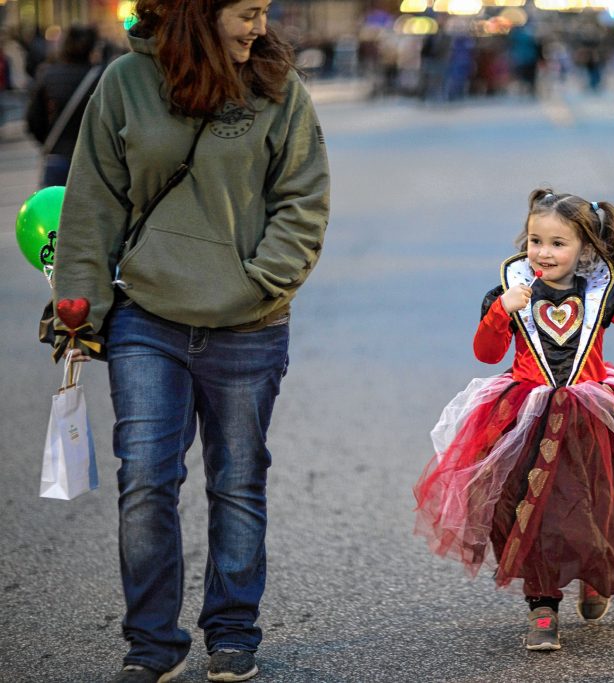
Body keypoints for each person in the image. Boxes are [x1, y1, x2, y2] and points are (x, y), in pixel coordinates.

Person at [48, 1, 330, 681]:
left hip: (251, 323)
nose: (258, 27)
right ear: (198, 12)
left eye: (264, 12)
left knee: (237, 481)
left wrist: (263, 281)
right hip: (148, 315)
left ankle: (232, 631)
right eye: (246, 11)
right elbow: (92, 202)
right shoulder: (125, 82)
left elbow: (302, 196)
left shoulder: (275, 85)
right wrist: (77, 309)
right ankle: (151, 643)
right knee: (145, 479)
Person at [413, 189, 614, 651]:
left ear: (585, 249)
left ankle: (594, 578)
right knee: (528, 507)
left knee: (597, 504)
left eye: (557, 243)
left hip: (589, 416)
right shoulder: (510, 290)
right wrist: (500, 313)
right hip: (524, 415)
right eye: (535, 241)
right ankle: (543, 606)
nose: (543, 253)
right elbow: (486, 352)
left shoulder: (601, 289)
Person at [25, 24, 100, 187]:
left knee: (54, 209)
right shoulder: (101, 77)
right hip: (91, 160)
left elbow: (33, 119)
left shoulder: (48, 75)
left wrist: (49, 140)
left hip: (57, 156)